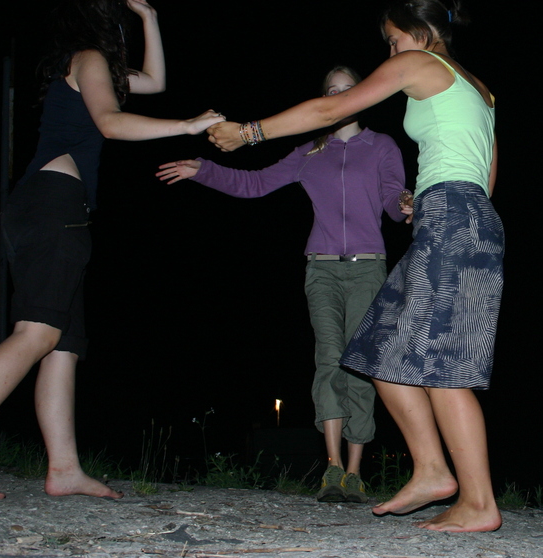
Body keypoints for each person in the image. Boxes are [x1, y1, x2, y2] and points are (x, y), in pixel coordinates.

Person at [207, 0, 502, 532]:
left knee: (441, 365)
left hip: (452, 216)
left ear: (418, 33)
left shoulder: (420, 62)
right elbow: (486, 175)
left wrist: (249, 132)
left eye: (392, 39)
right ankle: (433, 470)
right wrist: (432, 206)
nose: (390, 51)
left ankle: (479, 502)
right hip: (462, 214)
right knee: (375, 347)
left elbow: (330, 110)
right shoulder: (479, 89)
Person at [0, 0, 223, 503]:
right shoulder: (89, 57)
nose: (123, 30)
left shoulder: (90, 64)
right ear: (104, 21)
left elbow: (155, 81)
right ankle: (63, 467)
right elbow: (112, 123)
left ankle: (64, 469)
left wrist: (150, 18)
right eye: (120, 20)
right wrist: (186, 125)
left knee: (62, 344)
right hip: (52, 206)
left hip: (54, 208)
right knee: (36, 334)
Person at [156, 65, 408, 504]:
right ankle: (332, 469)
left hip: (369, 268)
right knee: (329, 359)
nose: (340, 96)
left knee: (360, 366)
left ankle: (355, 472)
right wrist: (205, 170)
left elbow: (392, 200)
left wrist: (406, 203)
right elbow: (255, 183)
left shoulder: (382, 146)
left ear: (365, 94)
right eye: (332, 91)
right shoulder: (310, 150)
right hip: (321, 269)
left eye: (349, 89)